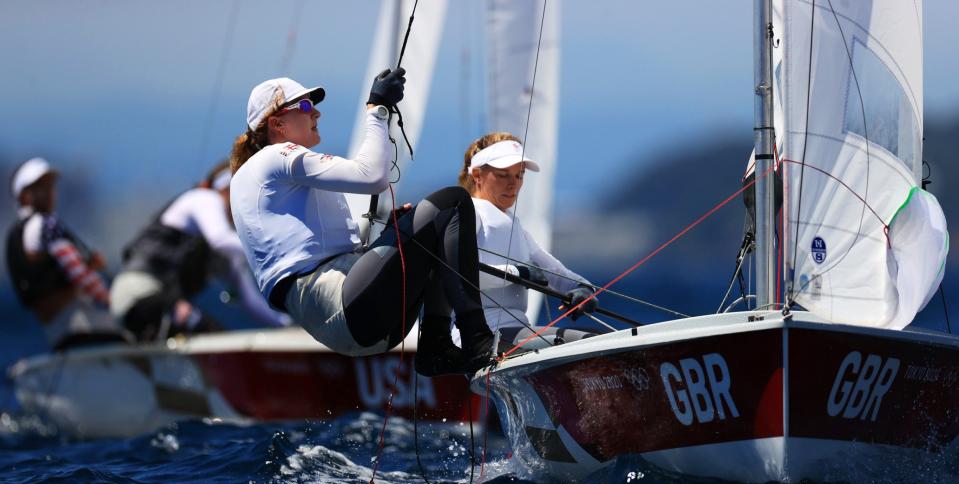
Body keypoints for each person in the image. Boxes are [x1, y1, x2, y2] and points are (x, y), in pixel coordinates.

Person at [229, 72, 495, 377]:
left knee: (432, 231)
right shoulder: (275, 157)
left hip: (350, 320)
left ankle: (437, 349)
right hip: (346, 310)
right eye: (304, 106)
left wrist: (389, 236)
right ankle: (474, 341)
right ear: (277, 124)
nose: (316, 112)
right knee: (453, 202)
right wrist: (377, 109)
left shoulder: (255, 178)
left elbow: (309, 251)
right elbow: (372, 177)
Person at [110, 161, 290, 341]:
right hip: (136, 296)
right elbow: (220, 239)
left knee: (216, 336)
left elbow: (250, 300)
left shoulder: (227, 243)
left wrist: (285, 325)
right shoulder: (204, 199)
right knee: (205, 331)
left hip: (166, 304)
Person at [458, 133, 599, 352]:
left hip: (514, 332)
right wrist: (519, 273)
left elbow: (556, 273)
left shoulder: (515, 228)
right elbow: (460, 275)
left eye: (519, 175)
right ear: (477, 175)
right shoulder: (468, 212)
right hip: (480, 336)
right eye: (503, 175)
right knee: (591, 343)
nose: (513, 184)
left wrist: (582, 289)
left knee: (603, 338)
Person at [5, 158, 125, 350]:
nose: (50, 193)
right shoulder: (47, 224)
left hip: (52, 327)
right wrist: (115, 303)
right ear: (24, 196)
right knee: (132, 328)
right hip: (74, 321)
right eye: (41, 187)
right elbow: (77, 273)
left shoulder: (16, 234)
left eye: (51, 186)